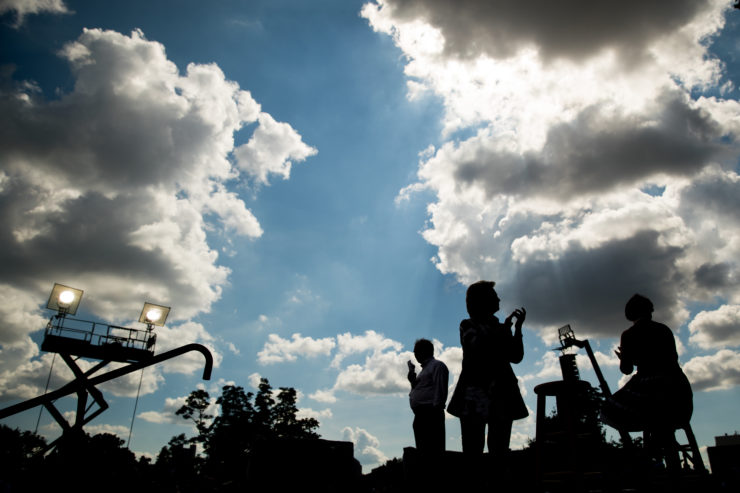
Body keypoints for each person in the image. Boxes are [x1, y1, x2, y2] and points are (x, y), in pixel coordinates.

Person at [447, 281, 528, 456]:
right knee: (472, 450)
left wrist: (518, 329)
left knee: (499, 450)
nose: (498, 298)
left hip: (502, 396)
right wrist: (505, 329)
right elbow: (479, 347)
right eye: (493, 295)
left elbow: (516, 356)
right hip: (474, 396)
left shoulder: (500, 328)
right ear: (482, 300)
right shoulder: (468, 325)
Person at [603, 294, 693, 445]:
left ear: (630, 314)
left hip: (649, 398)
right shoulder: (664, 329)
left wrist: (625, 357)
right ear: (649, 311)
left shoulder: (628, 335)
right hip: (679, 395)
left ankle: (644, 453)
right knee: (660, 416)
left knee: (608, 409)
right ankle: (664, 442)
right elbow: (673, 358)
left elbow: (626, 370)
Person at [407, 338, 449, 452]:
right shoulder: (425, 370)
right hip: (421, 415)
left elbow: (440, 390)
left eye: (416, 351)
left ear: (425, 351)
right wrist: (412, 381)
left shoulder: (437, 366)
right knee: (423, 451)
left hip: (431, 413)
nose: (415, 355)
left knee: (432, 451)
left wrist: (436, 411)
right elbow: (419, 390)